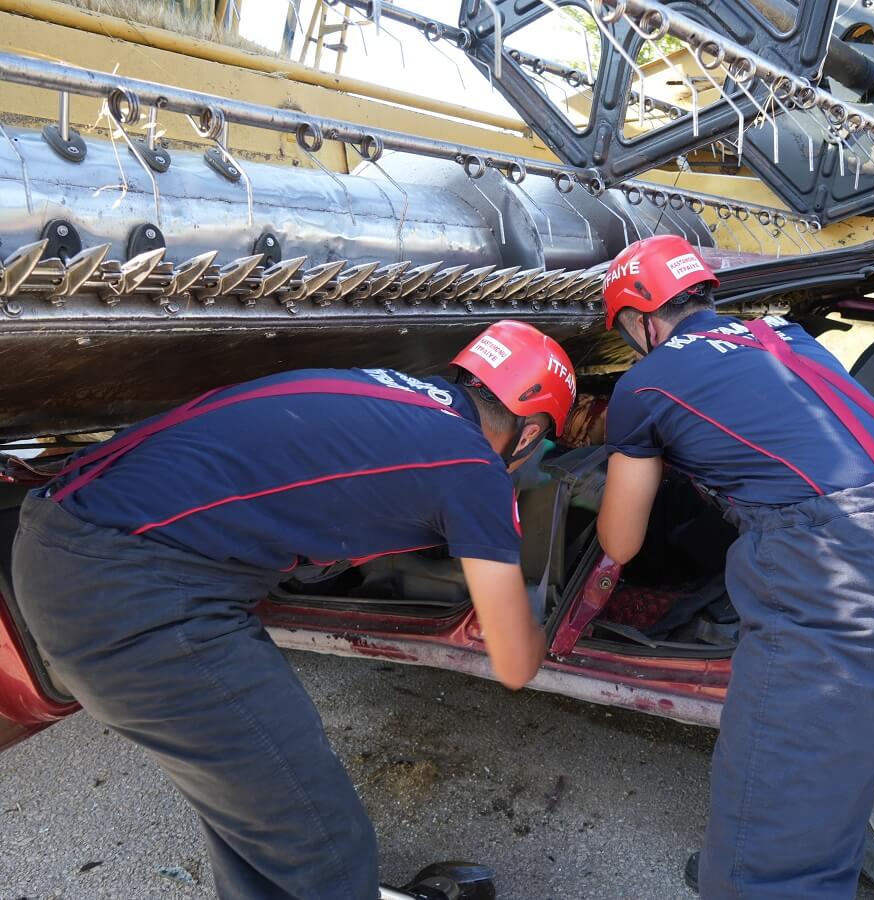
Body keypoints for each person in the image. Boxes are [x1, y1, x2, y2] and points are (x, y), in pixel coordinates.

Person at [11, 320, 576, 899]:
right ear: (530, 434)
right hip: (133, 591)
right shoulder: (472, 465)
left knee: (261, 807)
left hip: (61, 534)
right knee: (318, 844)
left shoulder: (385, 393)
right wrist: (541, 632)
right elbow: (513, 663)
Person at [593, 234, 874, 899]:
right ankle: (768, 859)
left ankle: (758, 872)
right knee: (830, 767)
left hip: (847, 581)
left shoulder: (644, 385)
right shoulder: (785, 338)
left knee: (768, 844)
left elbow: (621, 543)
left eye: (626, 331)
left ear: (642, 319)